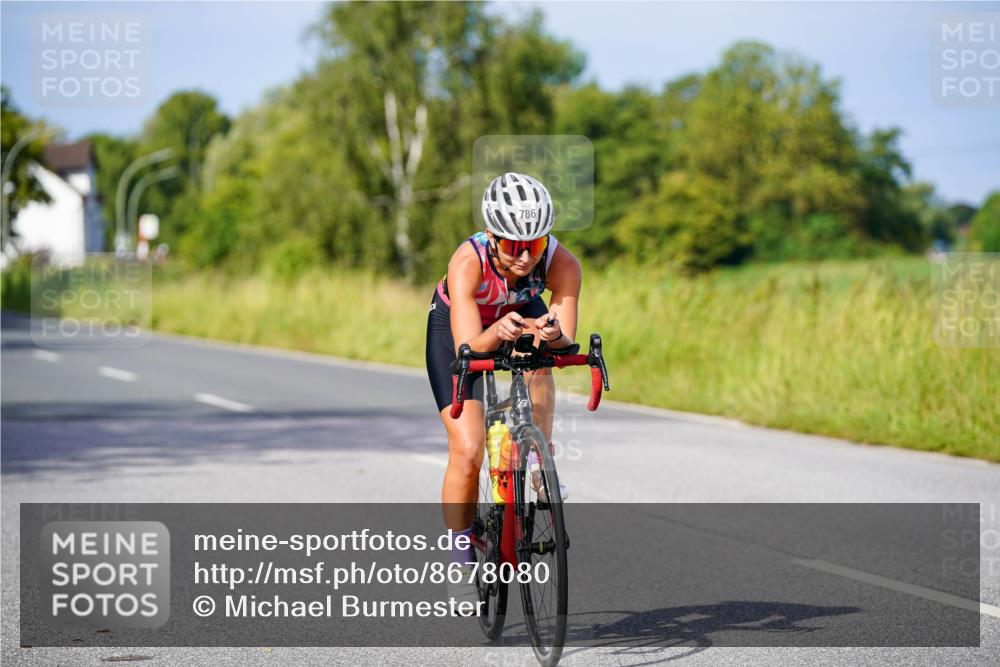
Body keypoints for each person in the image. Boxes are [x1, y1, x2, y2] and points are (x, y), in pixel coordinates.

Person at [424, 172, 582, 609]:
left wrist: (549, 334)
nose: (525, 257)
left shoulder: (562, 263)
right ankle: (458, 558)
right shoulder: (467, 262)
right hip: (461, 327)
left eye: (535, 244)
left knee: (541, 364)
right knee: (469, 448)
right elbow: (468, 347)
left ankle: (537, 458)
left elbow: (566, 340)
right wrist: (496, 331)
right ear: (492, 235)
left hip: (517, 313)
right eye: (514, 246)